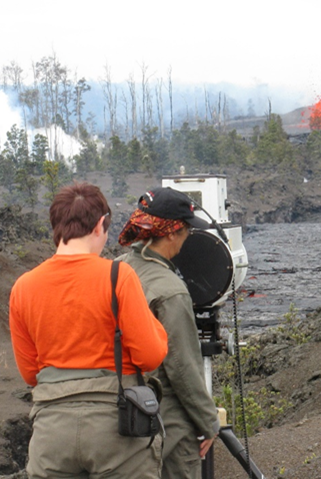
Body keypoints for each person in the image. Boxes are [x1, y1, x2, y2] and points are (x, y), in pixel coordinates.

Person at [9, 182, 168, 479]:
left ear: (56, 226)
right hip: (115, 428)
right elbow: (150, 356)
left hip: (51, 431)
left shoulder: (23, 287)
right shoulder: (118, 276)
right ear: (99, 225)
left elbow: (31, 374)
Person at [118, 186, 221, 479]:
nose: (189, 237)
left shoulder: (117, 267)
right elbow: (183, 367)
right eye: (187, 230)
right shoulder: (171, 292)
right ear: (172, 233)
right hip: (166, 413)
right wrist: (208, 422)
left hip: (123, 403)